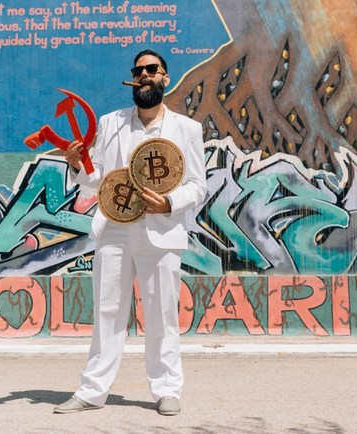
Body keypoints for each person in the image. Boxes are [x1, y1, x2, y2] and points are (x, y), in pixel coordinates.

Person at [53, 49, 207, 416]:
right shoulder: (111, 123)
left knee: (162, 314)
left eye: (152, 69)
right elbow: (96, 179)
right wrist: (75, 165)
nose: (144, 75)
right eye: (138, 71)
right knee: (107, 312)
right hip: (115, 229)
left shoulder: (187, 129)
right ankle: (93, 390)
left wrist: (169, 203)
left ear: (165, 77)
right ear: (132, 79)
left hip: (162, 230)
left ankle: (167, 389)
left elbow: (197, 185)